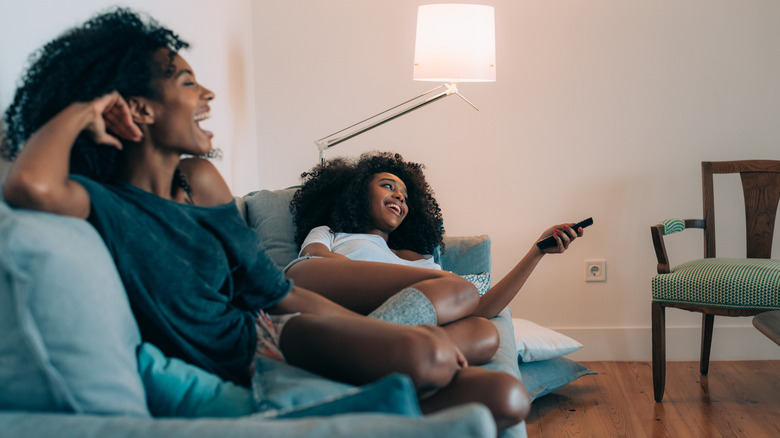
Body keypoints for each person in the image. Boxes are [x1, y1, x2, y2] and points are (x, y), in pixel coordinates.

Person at [0, 8, 528, 434]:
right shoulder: (102, 200)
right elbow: (27, 185)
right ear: (138, 108)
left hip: (269, 332)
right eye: (187, 82)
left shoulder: (200, 180)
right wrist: (86, 108)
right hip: (236, 367)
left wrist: (366, 339)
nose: (207, 95)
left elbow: (277, 291)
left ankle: (387, 384)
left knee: (503, 394)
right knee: (437, 360)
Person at [287, 152, 584, 363]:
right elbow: (314, 262)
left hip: (399, 322)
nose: (400, 197)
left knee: (483, 332)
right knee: (457, 288)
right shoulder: (333, 233)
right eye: (388, 186)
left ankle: (370, 348)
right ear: (357, 193)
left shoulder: (420, 259)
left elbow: (480, 308)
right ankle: (386, 345)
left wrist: (536, 252)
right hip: (334, 291)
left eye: (404, 196)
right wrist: (433, 282)